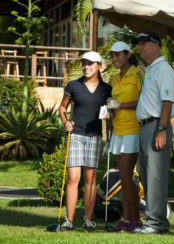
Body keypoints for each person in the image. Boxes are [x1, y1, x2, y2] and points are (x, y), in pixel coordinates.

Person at [58, 51, 112, 232]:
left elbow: (111, 111)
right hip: (75, 135)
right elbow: (62, 107)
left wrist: (110, 116)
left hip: (95, 137)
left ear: (99, 66)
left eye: (90, 63)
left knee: (90, 179)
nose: (86, 67)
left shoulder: (106, 89)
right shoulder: (73, 85)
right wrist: (66, 122)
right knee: (74, 178)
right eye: (84, 63)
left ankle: (88, 221)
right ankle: (69, 221)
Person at [131, 31, 174, 234]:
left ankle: (156, 223)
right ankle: (154, 222)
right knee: (147, 176)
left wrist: (161, 129)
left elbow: (168, 101)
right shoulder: (151, 69)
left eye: (144, 43)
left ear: (156, 45)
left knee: (155, 177)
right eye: (138, 44)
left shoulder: (163, 69)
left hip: (157, 125)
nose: (140, 47)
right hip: (147, 126)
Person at [106, 41, 145, 232]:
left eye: (118, 55)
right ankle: (127, 219)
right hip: (118, 130)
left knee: (127, 176)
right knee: (124, 176)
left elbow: (145, 100)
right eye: (112, 56)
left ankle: (135, 220)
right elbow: (114, 102)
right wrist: (111, 111)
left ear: (128, 55)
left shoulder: (138, 73)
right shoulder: (114, 79)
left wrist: (119, 106)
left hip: (133, 130)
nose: (115, 59)